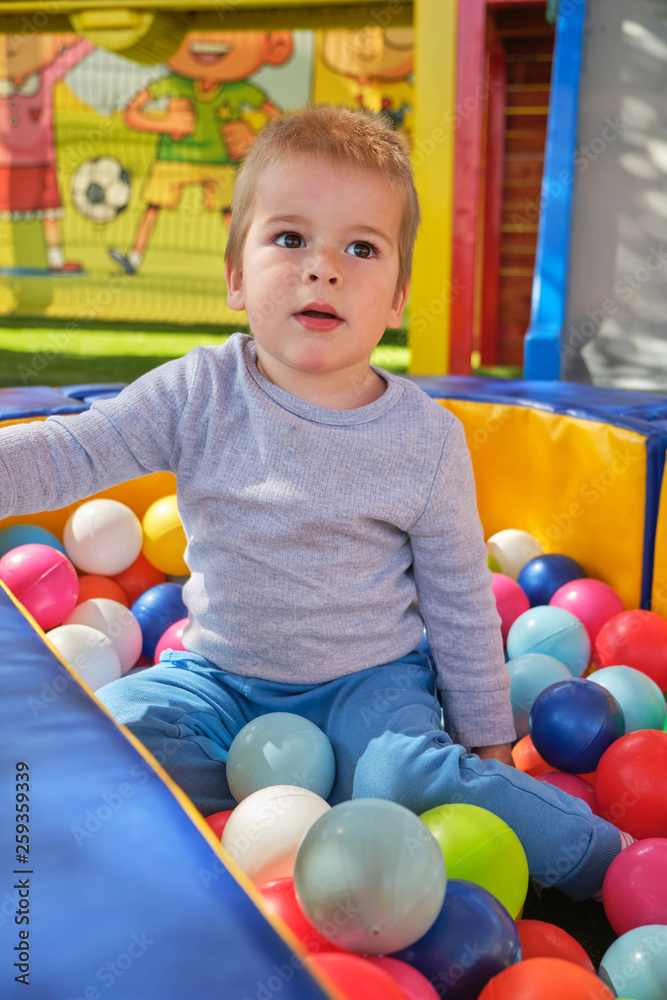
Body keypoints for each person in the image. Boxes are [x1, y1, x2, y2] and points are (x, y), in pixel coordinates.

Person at [0, 105, 626, 901]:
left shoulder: (424, 438)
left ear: (397, 296)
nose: (322, 267)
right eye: (290, 238)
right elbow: (71, 449)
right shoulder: (198, 393)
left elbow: (461, 596)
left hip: (368, 684)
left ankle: (607, 862)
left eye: (359, 247)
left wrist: (485, 737)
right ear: (235, 275)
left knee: (405, 777)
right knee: (114, 737)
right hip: (216, 679)